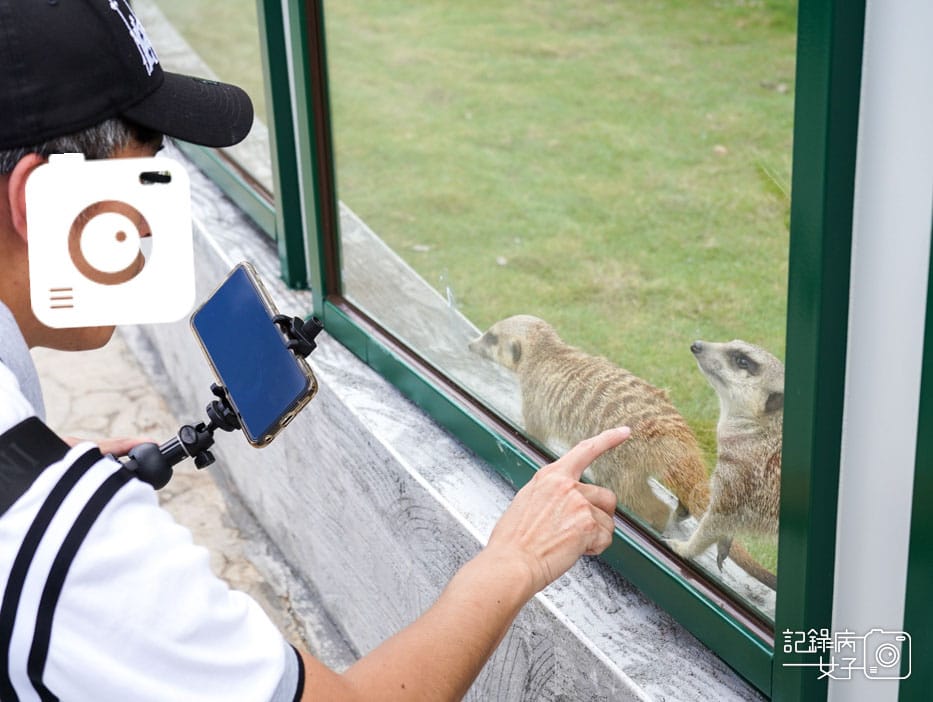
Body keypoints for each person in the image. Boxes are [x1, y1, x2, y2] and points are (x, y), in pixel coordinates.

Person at [0, 1, 627, 700]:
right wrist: (513, 559)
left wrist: (47, 467)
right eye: (145, 175)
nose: (151, 219)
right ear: (39, 198)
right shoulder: (59, 540)